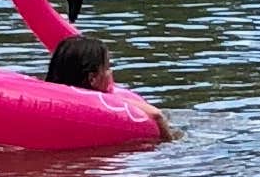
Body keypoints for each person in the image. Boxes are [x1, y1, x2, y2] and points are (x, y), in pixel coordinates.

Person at [46, 30, 175, 140]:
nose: (111, 72)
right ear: (92, 78)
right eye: (107, 67)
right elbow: (157, 115)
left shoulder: (46, 99)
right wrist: (169, 140)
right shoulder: (107, 102)